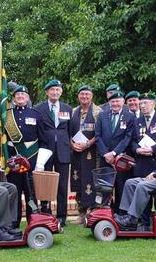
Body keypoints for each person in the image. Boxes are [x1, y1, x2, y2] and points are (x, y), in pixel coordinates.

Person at [129, 92, 156, 228]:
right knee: (142, 193)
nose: (142, 106)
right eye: (141, 103)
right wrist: (137, 149)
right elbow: (132, 141)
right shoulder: (137, 122)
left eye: (145, 103)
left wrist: (153, 149)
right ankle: (144, 222)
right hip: (141, 163)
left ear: (153, 104)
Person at [4, 85, 44, 228]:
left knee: (30, 192)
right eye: (17, 95)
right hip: (14, 160)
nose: (20, 97)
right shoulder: (7, 115)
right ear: (14, 98)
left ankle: (32, 218)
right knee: (14, 191)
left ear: (27, 98)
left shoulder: (36, 114)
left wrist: (40, 161)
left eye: (23, 95)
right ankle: (14, 222)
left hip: (31, 159)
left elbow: (42, 138)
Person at [34, 79, 72, 227]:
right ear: (47, 92)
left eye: (57, 90)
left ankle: (62, 216)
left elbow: (71, 130)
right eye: (52, 90)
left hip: (63, 151)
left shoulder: (67, 108)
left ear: (61, 92)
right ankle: (46, 212)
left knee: (62, 185)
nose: (55, 92)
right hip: (45, 151)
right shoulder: (39, 109)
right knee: (45, 183)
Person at [95, 89, 136, 213]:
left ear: (123, 102)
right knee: (105, 187)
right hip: (105, 158)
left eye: (118, 101)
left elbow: (128, 138)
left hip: (121, 159)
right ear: (109, 102)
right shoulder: (102, 115)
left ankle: (122, 213)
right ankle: (105, 213)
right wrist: (106, 154)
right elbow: (98, 136)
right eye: (112, 101)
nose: (115, 104)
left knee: (121, 186)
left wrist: (114, 153)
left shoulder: (130, 116)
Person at [69, 85, 101, 225]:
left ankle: (92, 212)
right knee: (78, 180)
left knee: (91, 181)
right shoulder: (73, 111)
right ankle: (81, 213)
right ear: (78, 96)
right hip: (76, 152)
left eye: (87, 94)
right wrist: (72, 144)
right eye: (82, 94)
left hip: (92, 153)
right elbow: (68, 132)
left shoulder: (98, 112)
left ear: (92, 96)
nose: (84, 97)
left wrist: (88, 144)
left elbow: (99, 133)